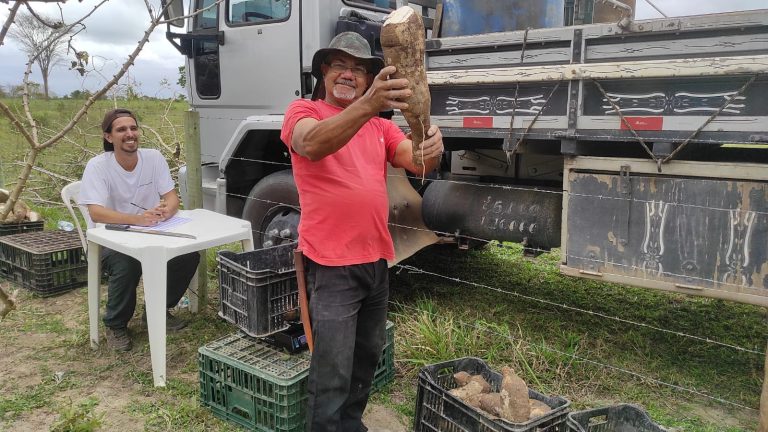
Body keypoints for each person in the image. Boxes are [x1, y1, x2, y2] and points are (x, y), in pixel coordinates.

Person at [280, 32, 443, 431]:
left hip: (375, 260)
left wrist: (430, 144)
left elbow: (418, 163)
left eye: (359, 69)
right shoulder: (304, 111)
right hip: (331, 263)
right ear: (324, 70)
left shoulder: (380, 129)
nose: (349, 75)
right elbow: (311, 146)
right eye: (341, 65)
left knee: (365, 356)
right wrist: (371, 104)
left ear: (369, 77)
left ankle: (350, 424)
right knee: (332, 366)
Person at [78, 108, 200, 352]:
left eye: (133, 128)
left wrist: (167, 211)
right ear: (108, 137)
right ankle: (116, 325)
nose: (129, 133)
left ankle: (156, 311)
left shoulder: (153, 158)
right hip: (111, 239)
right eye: (121, 129)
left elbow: (172, 197)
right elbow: (96, 213)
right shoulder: (98, 166)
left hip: (150, 232)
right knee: (127, 262)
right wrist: (137, 219)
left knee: (188, 254)